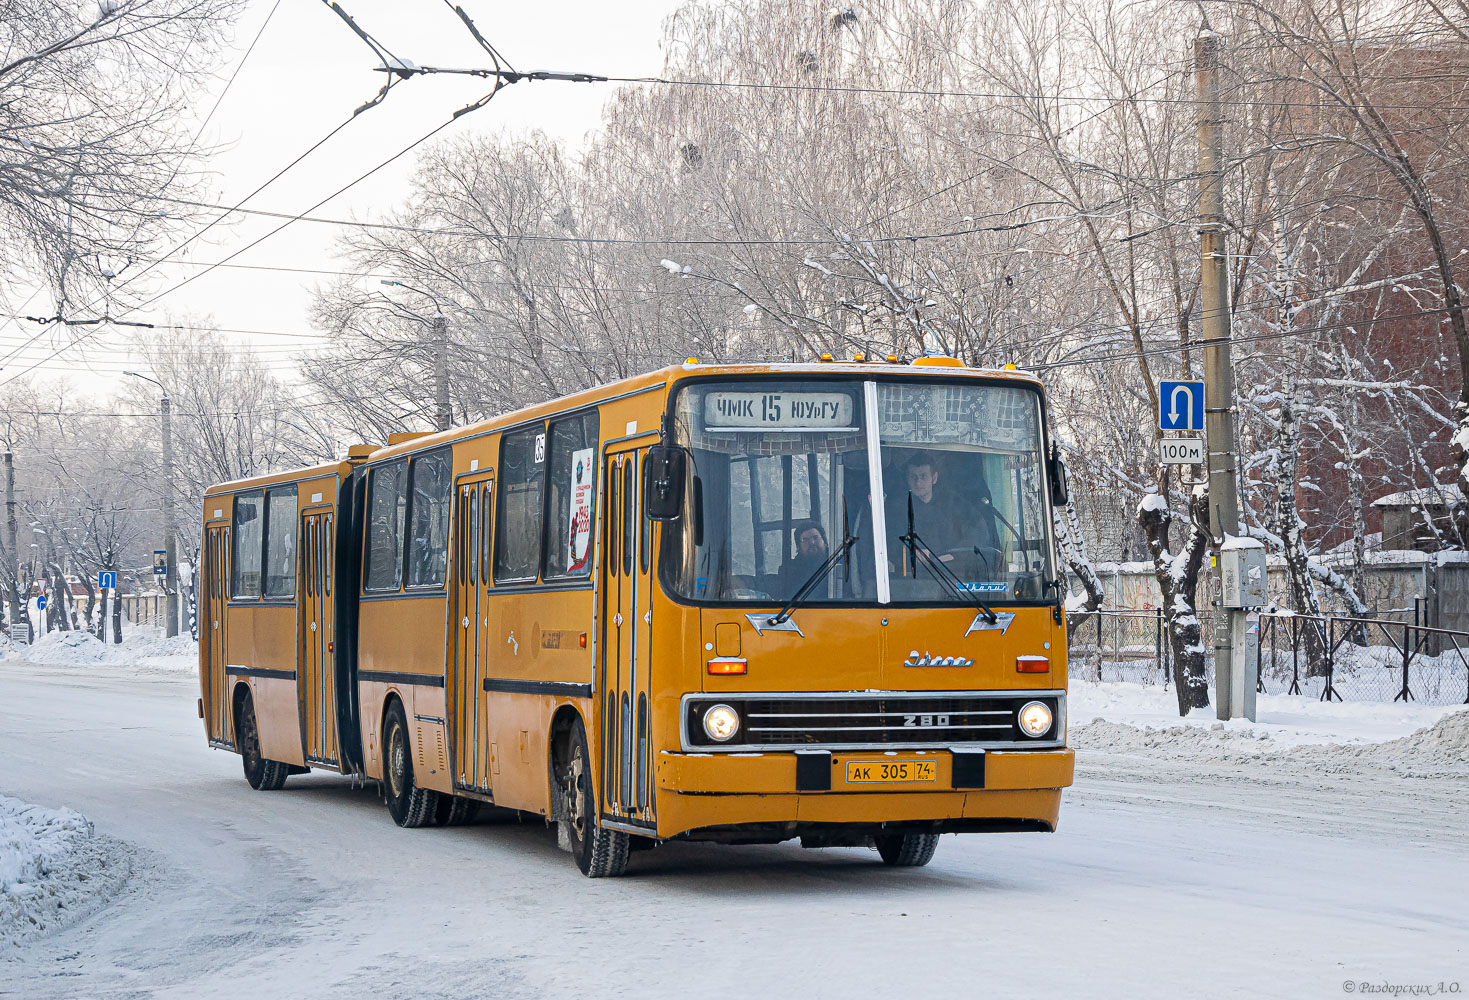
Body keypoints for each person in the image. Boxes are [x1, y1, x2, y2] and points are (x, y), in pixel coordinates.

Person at [890, 453, 959, 575]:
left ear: (934, 478)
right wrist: (910, 552)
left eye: (923, 476)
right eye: (913, 477)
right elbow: (890, 544)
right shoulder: (896, 511)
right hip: (911, 579)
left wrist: (952, 555)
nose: (918, 482)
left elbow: (964, 544)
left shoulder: (951, 507)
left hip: (949, 578)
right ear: (907, 479)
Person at [778, 520, 829, 596]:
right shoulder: (790, 571)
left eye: (815, 538)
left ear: (825, 542)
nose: (812, 542)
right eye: (805, 540)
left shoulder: (838, 562)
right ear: (799, 547)